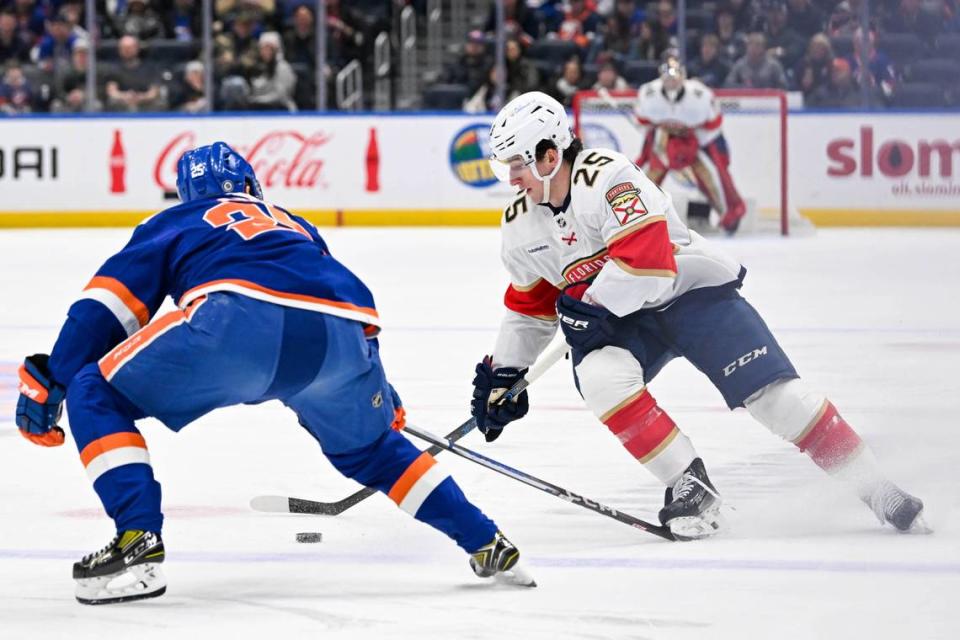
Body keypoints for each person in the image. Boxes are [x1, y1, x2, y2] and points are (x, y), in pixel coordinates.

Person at [14, 142, 534, 605]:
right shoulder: (293, 222)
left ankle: (138, 538)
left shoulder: (176, 221)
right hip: (343, 340)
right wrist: (381, 392)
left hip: (238, 325)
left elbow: (107, 307)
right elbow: (331, 300)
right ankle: (487, 542)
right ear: (250, 187)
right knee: (373, 450)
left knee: (94, 390)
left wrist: (56, 378)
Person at [473, 90, 927, 541]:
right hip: (625, 323)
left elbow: (649, 264)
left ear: (549, 155)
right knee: (598, 377)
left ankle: (877, 488)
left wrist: (590, 306)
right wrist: (504, 373)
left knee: (776, 399)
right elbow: (530, 309)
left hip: (689, 292)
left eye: (516, 165)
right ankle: (690, 483)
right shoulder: (519, 224)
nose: (510, 179)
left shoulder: (609, 176)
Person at [634, 57, 748, 234]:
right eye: (667, 77)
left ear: (683, 77)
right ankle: (638, 218)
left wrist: (695, 145)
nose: (672, 81)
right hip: (664, 138)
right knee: (647, 177)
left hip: (697, 138)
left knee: (714, 176)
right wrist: (662, 136)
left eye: (675, 76)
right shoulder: (648, 93)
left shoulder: (700, 95)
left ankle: (729, 213)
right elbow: (644, 123)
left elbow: (713, 126)